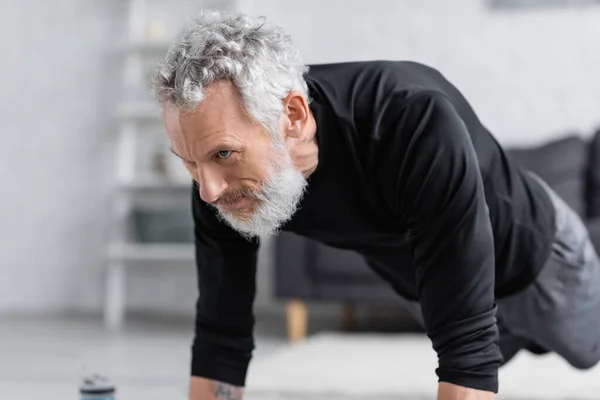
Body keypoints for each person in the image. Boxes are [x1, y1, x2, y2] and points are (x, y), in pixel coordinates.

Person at [150, 9, 600, 400]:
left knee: (587, 350)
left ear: (292, 116)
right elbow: (220, 332)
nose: (206, 190)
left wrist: (471, 358)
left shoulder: (413, 121)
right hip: (428, 282)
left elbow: (469, 352)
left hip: (534, 259)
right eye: (188, 162)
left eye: (222, 154)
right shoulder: (221, 179)